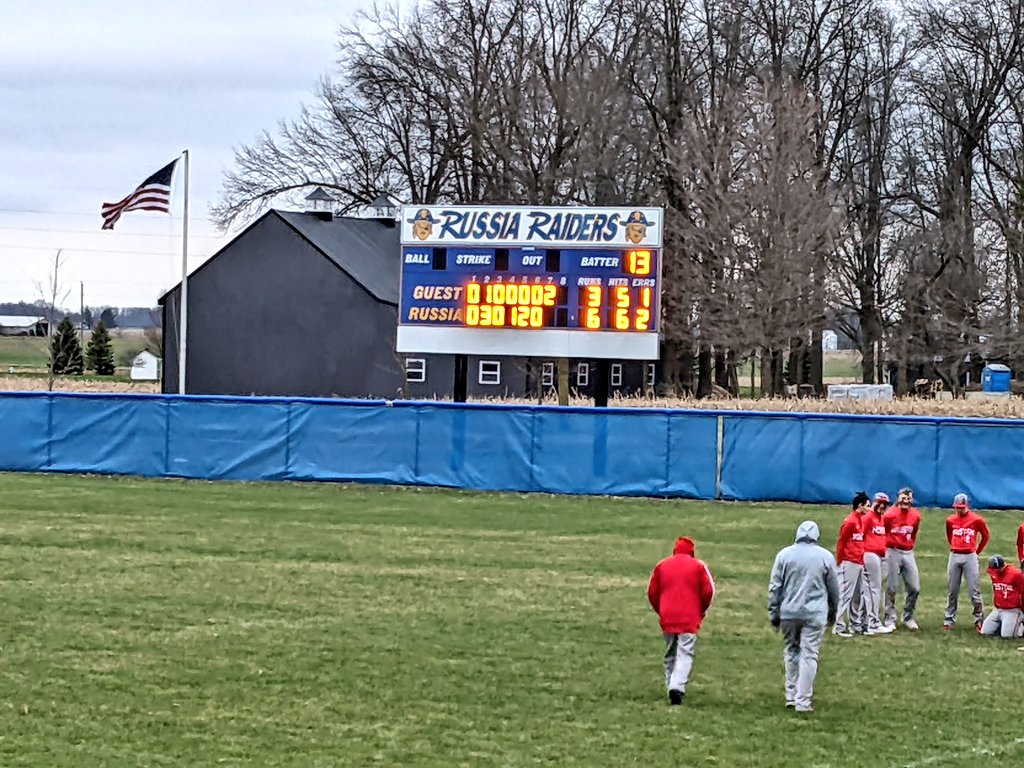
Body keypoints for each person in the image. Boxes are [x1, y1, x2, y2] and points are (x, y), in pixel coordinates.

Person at [768, 520, 840, 713]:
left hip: (789, 612)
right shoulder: (825, 556)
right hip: (815, 613)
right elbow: (834, 589)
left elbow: (775, 587)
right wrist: (833, 613)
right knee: (809, 655)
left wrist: (773, 613)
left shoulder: (783, 555)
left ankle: (790, 695)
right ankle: (803, 701)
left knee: (791, 651)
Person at [647, 536, 716, 705]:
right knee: (685, 652)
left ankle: (670, 682)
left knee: (670, 651)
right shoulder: (699, 566)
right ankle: (677, 686)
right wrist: (701, 610)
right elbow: (709, 591)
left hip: (667, 616)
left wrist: (660, 610)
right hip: (689, 617)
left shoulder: (662, 565)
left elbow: (652, 592)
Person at [943, 492, 990, 631]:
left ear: (967, 506)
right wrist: (954, 546)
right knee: (952, 589)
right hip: (955, 554)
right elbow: (949, 535)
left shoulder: (976, 520)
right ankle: (949, 619)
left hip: (970, 555)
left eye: (962, 507)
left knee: (974, 590)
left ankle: (979, 619)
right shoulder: (950, 520)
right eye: (957, 507)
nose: (959, 510)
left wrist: (977, 551)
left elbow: (986, 536)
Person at [883, 487, 922, 630]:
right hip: (892, 551)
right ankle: (889, 617)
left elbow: (914, 532)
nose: (905, 501)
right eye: (903, 498)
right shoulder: (889, 515)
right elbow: (882, 532)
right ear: (898, 498)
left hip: (907, 552)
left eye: (908, 498)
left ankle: (908, 616)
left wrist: (909, 545)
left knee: (914, 587)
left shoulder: (915, 516)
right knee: (892, 587)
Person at [834, 492, 869, 637]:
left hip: (858, 561)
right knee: (845, 594)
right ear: (860, 506)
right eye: (867, 505)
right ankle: (838, 626)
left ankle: (855, 624)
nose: (869, 508)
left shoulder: (860, 520)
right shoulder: (850, 522)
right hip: (849, 561)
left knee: (857, 595)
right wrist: (840, 561)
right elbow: (842, 541)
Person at [861, 492, 894, 635]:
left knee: (874, 587)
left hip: (880, 555)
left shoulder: (882, 518)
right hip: (870, 553)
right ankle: (873, 622)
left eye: (885, 504)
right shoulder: (869, 518)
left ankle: (867, 620)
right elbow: (860, 535)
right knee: (874, 588)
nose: (882, 506)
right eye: (880, 503)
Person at [979, 555, 1024, 639]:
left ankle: (1020, 626)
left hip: (1012, 610)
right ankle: (1003, 624)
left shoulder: (1016, 574)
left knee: (1007, 636)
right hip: (997, 609)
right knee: (985, 632)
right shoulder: (994, 574)